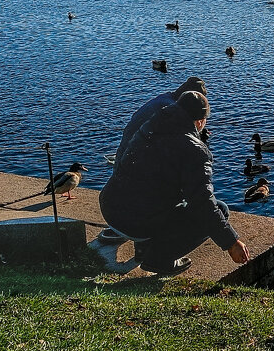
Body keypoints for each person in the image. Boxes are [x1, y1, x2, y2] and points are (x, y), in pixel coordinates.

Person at [100, 90, 250, 275]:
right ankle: (159, 260)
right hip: (135, 221)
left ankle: (144, 246)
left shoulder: (151, 124)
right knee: (220, 209)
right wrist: (231, 242)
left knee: (153, 191)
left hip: (111, 206)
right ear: (201, 121)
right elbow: (203, 203)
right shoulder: (194, 150)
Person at [113, 76, 207, 170]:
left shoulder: (165, 98)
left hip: (123, 158)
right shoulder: (171, 109)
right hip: (133, 165)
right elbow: (178, 142)